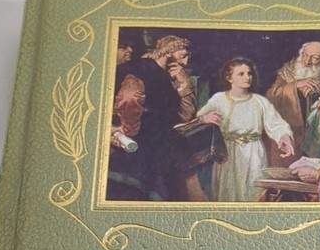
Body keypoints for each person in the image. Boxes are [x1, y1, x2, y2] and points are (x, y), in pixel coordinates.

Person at [197, 57, 294, 202]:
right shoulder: (219, 99)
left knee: (254, 191)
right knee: (228, 193)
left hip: (254, 153)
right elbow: (199, 118)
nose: (247, 77)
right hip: (227, 152)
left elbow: (276, 124)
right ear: (229, 78)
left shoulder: (259, 101)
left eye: (249, 73)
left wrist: (284, 136)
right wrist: (204, 118)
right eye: (241, 74)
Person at [107, 45, 182, 201]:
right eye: (182, 56)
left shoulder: (154, 73)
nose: (185, 62)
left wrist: (127, 130)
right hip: (144, 143)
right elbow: (130, 98)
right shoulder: (146, 70)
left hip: (147, 142)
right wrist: (126, 130)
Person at [264, 41, 320, 162]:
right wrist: (296, 86)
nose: (307, 61)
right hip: (291, 130)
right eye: (305, 55)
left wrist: (319, 99)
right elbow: (271, 95)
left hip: (316, 134)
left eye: (315, 58)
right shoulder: (287, 72)